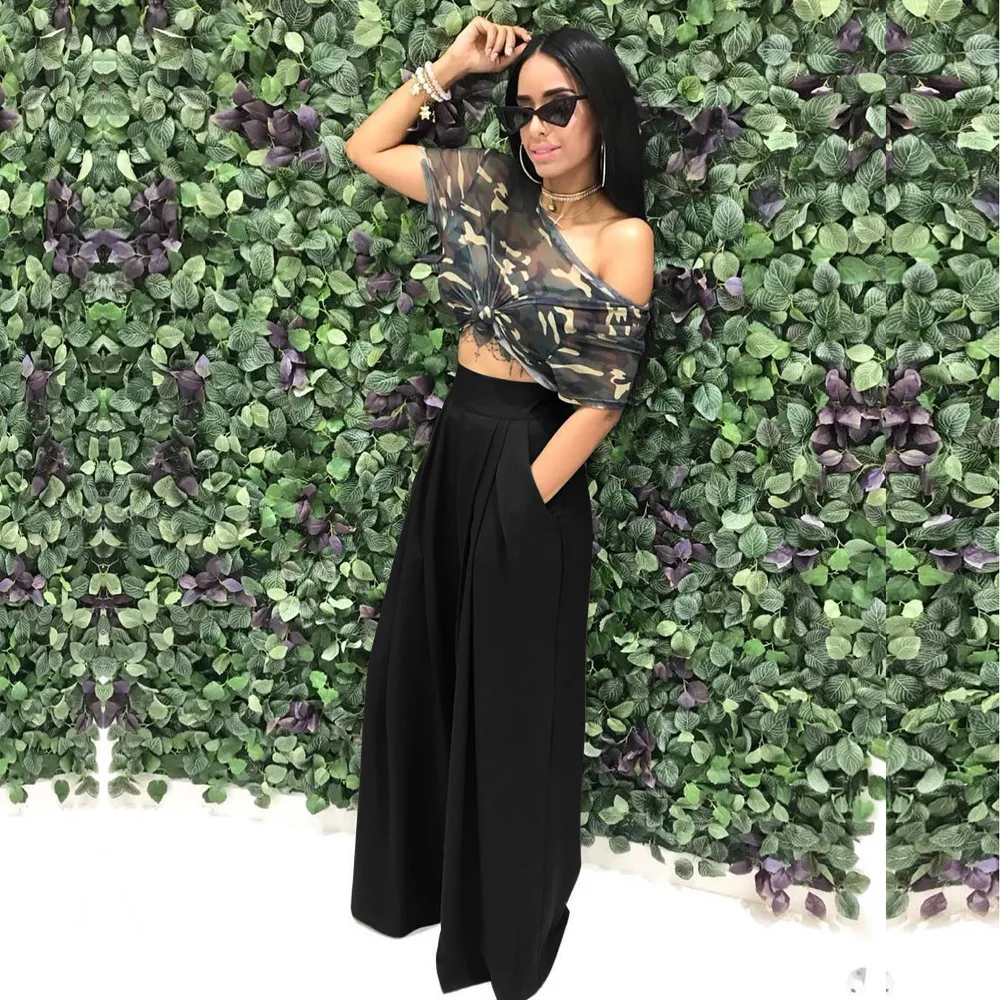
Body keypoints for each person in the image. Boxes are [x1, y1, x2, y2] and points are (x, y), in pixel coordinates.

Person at [346, 19, 655, 1000]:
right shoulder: (486, 189)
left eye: (558, 106)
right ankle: (420, 892)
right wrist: (452, 67)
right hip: (458, 448)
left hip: (535, 461)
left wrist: (523, 498)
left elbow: (602, 399)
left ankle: (508, 934)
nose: (538, 127)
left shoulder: (624, 237)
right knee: (425, 670)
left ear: (602, 113)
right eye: (524, 111)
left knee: (514, 706)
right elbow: (367, 147)